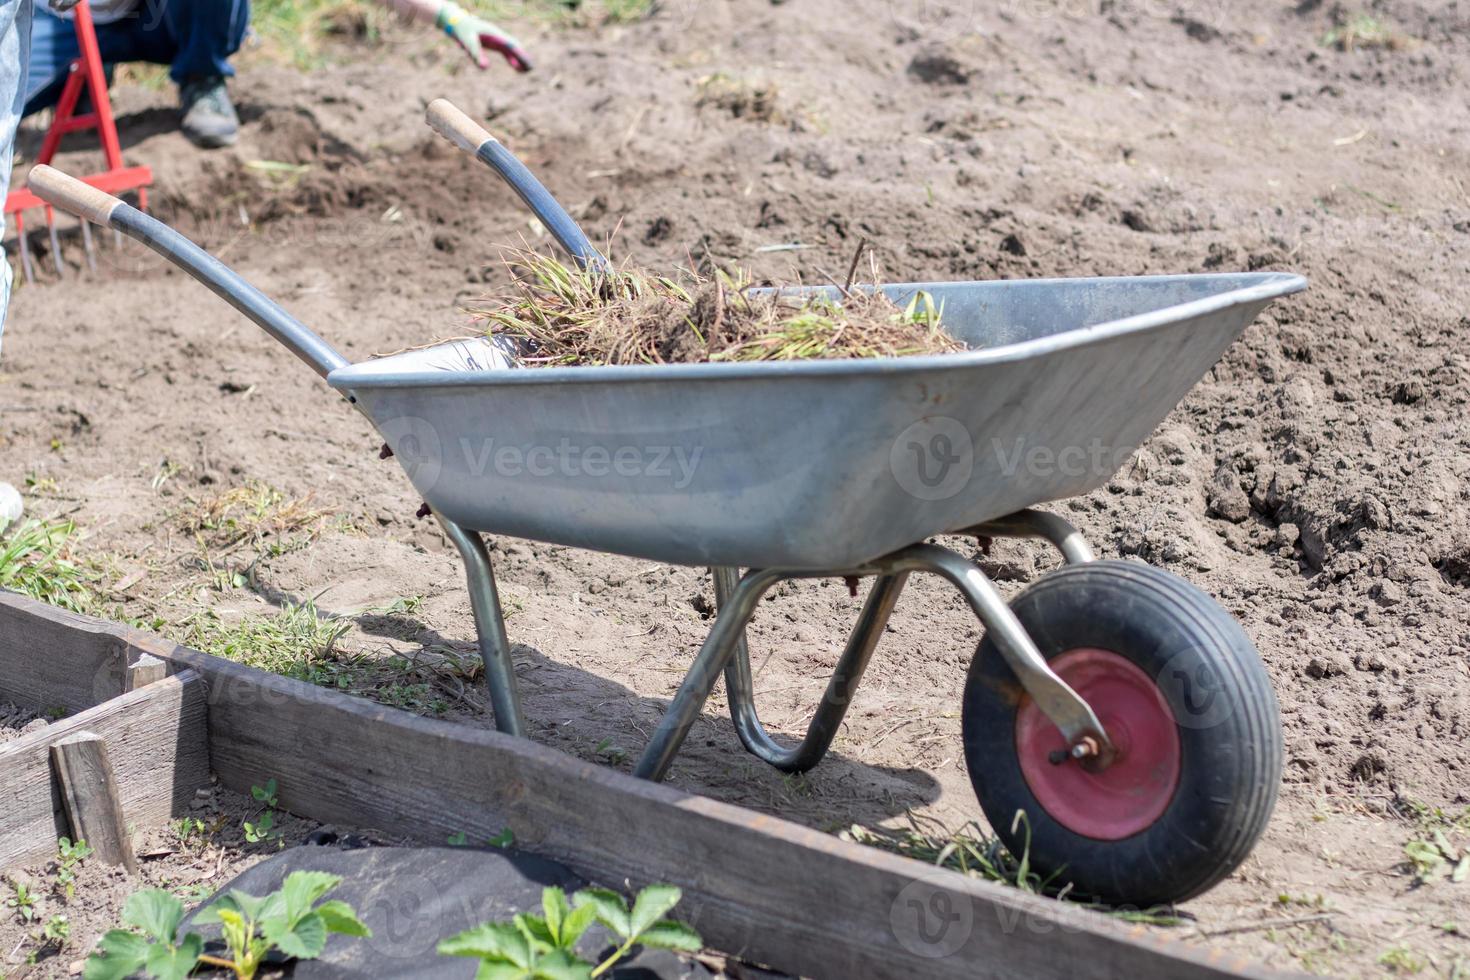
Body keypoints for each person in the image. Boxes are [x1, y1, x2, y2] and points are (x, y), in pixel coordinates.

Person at [0, 0, 530, 522]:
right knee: (19, 77)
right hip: (83, 18)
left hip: (181, 17)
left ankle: (202, 75)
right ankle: (96, 70)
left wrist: (447, 15)